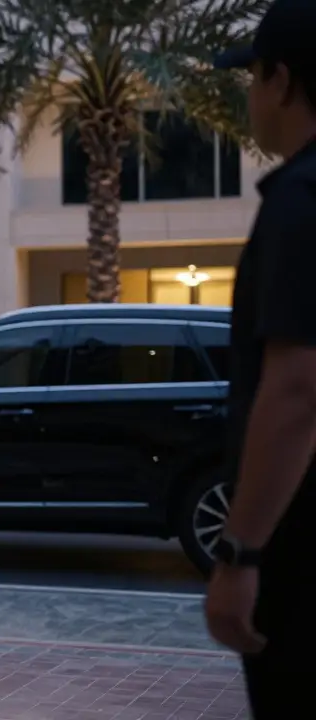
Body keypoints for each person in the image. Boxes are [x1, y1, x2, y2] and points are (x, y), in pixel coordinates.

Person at [205, 0, 316, 715]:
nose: (249, 96)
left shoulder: (301, 203)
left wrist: (241, 555)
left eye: (251, 77)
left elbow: (299, 389)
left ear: (280, 81)